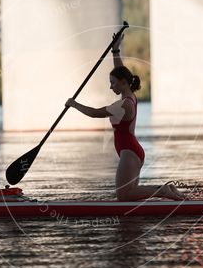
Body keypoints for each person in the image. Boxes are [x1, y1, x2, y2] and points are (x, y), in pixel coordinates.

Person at [65, 33, 185, 201]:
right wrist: (115, 51)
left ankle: (162, 191)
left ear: (122, 82)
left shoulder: (123, 105)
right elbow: (121, 71)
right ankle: (165, 189)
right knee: (130, 192)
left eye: (112, 83)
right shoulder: (129, 96)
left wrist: (74, 104)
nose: (110, 86)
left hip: (129, 152)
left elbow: (94, 113)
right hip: (131, 150)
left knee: (124, 195)